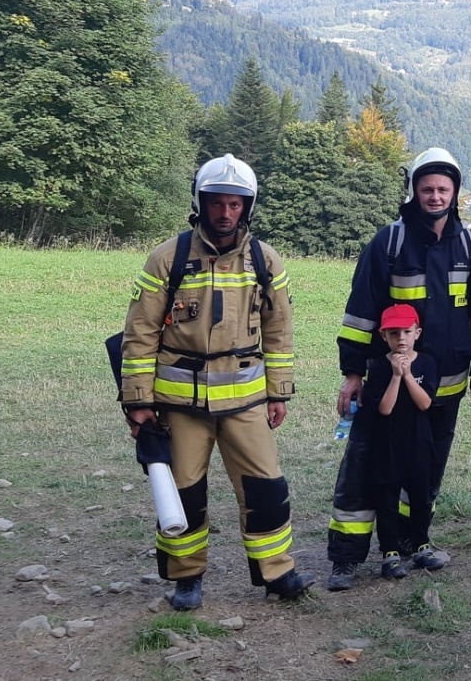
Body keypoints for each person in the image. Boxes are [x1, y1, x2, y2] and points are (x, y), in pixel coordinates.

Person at [118, 154, 314, 610]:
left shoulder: (266, 261)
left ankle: (277, 573)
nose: (225, 213)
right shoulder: (168, 257)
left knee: (267, 490)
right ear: (200, 203)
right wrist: (138, 403)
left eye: (235, 204)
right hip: (180, 404)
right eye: (217, 203)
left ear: (247, 207)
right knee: (184, 493)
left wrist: (278, 392)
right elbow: (140, 332)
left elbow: (279, 331)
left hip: (246, 401)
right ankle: (187, 579)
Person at [330, 148, 471, 587]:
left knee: (425, 469)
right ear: (415, 192)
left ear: (455, 193)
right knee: (366, 464)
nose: (436, 196)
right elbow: (361, 311)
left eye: (444, 189)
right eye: (427, 189)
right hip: (388, 388)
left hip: (446, 386)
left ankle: (409, 542)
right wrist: (353, 373)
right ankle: (346, 557)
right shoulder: (389, 243)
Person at [325, 304, 443, 587]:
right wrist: (394, 376)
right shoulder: (378, 366)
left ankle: (421, 545)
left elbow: (425, 402)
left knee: (420, 497)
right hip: (387, 446)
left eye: (406, 331)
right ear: (383, 337)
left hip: (419, 443)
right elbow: (385, 408)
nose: (401, 338)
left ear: (417, 333)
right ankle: (389, 553)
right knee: (387, 501)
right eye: (393, 333)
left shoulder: (427, 363)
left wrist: (408, 376)